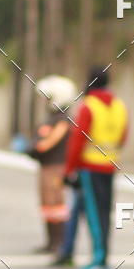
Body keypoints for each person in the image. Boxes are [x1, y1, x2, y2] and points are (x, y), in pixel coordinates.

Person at [63, 67, 129, 269]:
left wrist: (69, 169)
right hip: (110, 165)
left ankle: (99, 259)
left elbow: (77, 140)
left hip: (89, 168)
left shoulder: (88, 106)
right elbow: (123, 137)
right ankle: (67, 250)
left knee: (94, 214)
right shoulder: (119, 106)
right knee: (102, 211)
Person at [27, 76, 76, 254]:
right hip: (46, 166)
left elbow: (48, 142)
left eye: (47, 97)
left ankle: (59, 243)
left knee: (56, 204)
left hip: (56, 167)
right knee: (47, 205)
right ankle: (50, 242)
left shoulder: (62, 120)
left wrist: (34, 147)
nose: (45, 100)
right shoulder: (52, 118)